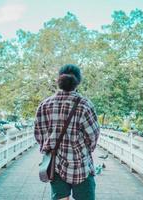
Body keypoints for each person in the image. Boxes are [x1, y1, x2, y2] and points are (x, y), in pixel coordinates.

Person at [34, 64, 100, 200]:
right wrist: (84, 149)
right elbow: (93, 137)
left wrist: (49, 147)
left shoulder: (45, 104)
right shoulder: (85, 105)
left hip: (55, 164)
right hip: (81, 165)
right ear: (78, 81)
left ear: (59, 79)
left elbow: (39, 135)